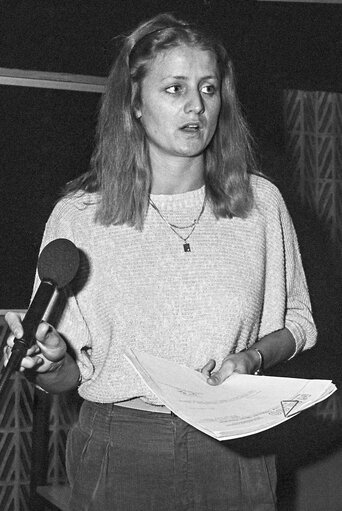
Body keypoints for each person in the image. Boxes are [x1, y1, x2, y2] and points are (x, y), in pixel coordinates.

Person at [5, 12, 317, 511]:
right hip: (122, 448)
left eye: (209, 89)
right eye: (175, 88)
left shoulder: (261, 205)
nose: (197, 105)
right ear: (134, 103)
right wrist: (48, 362)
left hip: (236, 447)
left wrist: (252, 358)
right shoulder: (80, 218)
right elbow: (66, 376)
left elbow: (298, 323)